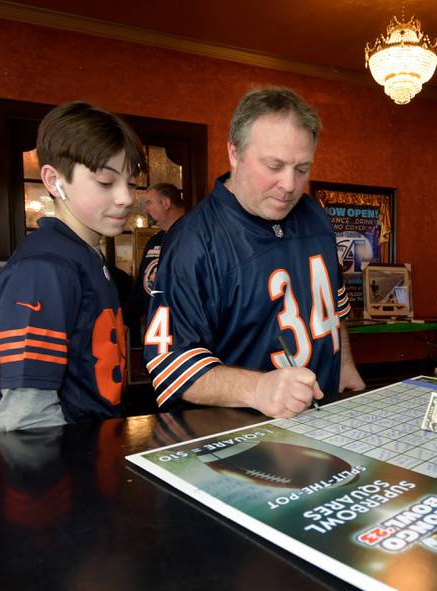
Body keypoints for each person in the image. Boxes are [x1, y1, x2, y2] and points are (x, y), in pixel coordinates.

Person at [144, 86, 365, 419]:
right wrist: (258, 388)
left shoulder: (315, 213)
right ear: (235, 153)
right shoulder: (193, 241)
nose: (290, 185)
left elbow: (333, 304)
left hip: (323, 415)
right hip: (241, 435)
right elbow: (172, 366)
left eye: (302, 169)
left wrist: (345, 365)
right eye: (273, 166)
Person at [0, 101, 147, 431]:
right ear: (54, 180)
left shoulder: (84, 255)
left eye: (131, 183)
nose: (126, 198)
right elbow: (26, 417)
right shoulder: (43, 268)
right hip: (69, 465)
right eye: (106, 182)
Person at [123, 182, 186, 332]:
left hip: (184, 329)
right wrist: (126, 321)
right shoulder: (154, 241)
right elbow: (141, 288)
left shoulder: (194, 235)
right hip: (157, 329)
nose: (146, 209)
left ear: (166, 203)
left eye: (149, 203)